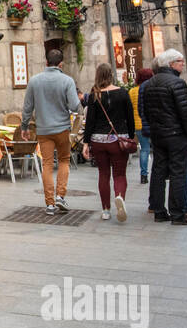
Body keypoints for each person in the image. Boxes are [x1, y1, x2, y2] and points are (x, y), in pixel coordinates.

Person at [20, 47, 83, 216]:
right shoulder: (67, 81)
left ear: (46, 62)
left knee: (47, 164)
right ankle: (61, 196)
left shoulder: (34, 81)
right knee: (63, 160)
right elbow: (73, 105)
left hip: (43, 129)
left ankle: (49, 204)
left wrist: (24, 127)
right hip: (63, 128)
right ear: (61, 64)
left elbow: (27, 107)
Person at [139, 49, 187, 225]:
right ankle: (178, 213)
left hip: (158, 134)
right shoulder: (177, 83)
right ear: (171, 64)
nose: (183, 64)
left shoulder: (148, 84)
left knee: (158, 170)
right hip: (176, 134)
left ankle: (158, 210)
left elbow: (146, 111)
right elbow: (186, 112)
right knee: (178, 172)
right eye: (180, 61)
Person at [81, 63, 135, 222]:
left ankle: (105, 210)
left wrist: (86, 143)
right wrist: (130, 137)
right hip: (118, 140)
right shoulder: (123, 94)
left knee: (103, 174)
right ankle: (120, 197)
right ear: (111, 75)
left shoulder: (94, 95)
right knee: (119, 174)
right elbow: (130, 118)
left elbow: (89, 121)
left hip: (98, 140)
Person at [130, 68, 154, 184]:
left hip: (138, 124)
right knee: (157, 149)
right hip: (151, 123)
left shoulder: (133, 91)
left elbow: (130, 109)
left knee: (144, 149)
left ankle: (143, 175)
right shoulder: (151, 89)